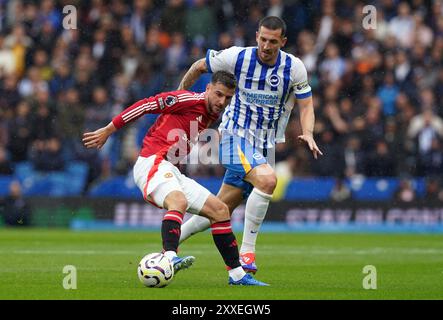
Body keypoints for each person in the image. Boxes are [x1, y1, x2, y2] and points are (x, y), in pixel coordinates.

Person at [83, 71, 268, 286]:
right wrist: (109, 129)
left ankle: (237, 275)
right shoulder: (187, 99)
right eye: (218, 94)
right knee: (178, 200)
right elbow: (146, 105)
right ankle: (170, 257)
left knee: (220, 210)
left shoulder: (212, 114)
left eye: (227, 98)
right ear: (208, 88)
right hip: (151, 162)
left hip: (171, 168)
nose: (222, 101)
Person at [177, 16, 322, 273]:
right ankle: (247, 254)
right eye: (263, 39)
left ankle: (169, 247)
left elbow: (306, 103)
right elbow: (200, 66)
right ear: (257, 36)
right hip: (233, 136)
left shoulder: (294, 67)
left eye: (273, 42)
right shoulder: (237, 57)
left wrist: (308, 132)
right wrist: (179, 99)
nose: (266, 46)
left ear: (283, 42)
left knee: (220, 208)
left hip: (264, 146)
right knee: (268, 181)